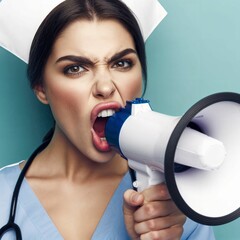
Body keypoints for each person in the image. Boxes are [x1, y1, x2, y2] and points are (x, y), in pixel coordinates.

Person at [0, 0, 215, 239]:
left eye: (121, 63)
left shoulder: (172, 208)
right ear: (41, 88)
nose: (105, 86)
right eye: (75, 68)